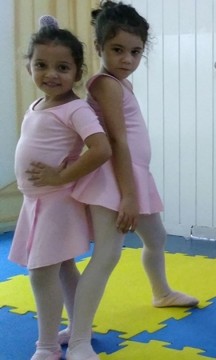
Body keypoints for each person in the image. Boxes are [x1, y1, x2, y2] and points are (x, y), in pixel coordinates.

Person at [65, 1, 198, 358]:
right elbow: (117, 142)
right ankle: (79, 338)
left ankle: (161, 292)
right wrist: (127, 196)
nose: (127, 59)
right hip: (114, 180)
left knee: (156, 237)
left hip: (133, 177)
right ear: (99, 48)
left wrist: (135, 188)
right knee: (107, 255)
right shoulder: (106, 85)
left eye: (135, 52)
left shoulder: (122, 84)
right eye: (117, 50)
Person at [8, 16, 112, 360]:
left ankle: (48, 346)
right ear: (29, 68)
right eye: (41, 65)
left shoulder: (76, 108)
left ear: (78, 72)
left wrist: (60, 177)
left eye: (62, 67)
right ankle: (82, 327)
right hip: (35, 201)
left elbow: (101, 149)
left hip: (55, 201)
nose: (51, 74)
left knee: (41, 273)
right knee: (64, 266)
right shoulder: (37, 105)